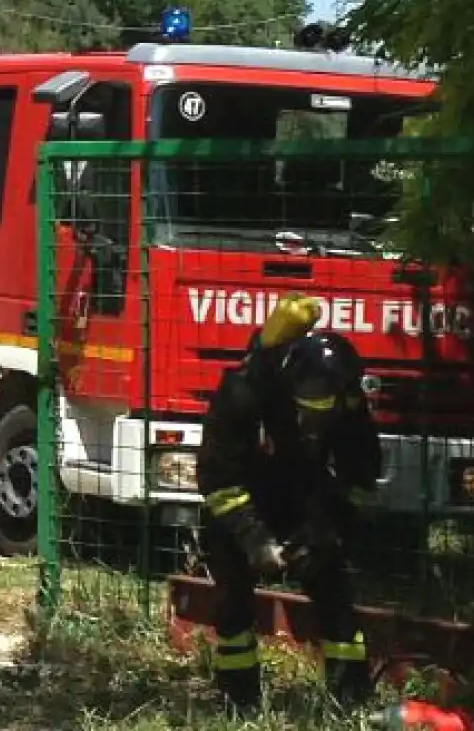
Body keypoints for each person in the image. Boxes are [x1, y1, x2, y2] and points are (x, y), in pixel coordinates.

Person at [196, 294, 381, 714]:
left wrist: (327, 526)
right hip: (244, 498)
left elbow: (361, 472)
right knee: (234, 602)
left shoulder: (347, 404)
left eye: (323, 417)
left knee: (333, 589)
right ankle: (238, 699)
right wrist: (253, 539)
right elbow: (216, 478)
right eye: (307, 415)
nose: (313, 427)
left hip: (303, 494)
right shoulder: (242, 394)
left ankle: (350, 697)